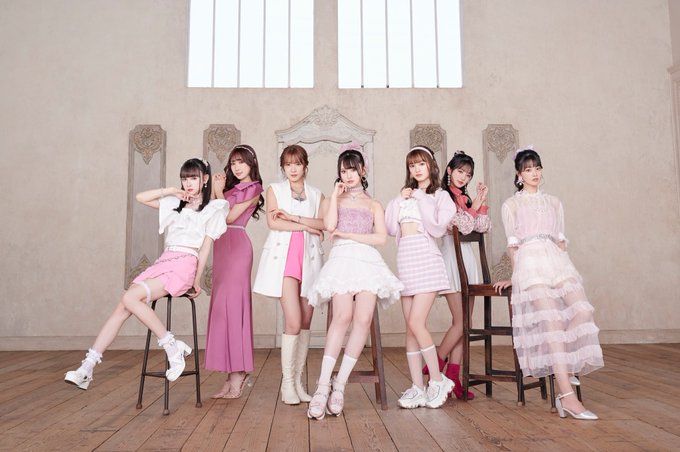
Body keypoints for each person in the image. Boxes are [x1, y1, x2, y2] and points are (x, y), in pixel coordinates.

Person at [65, 158, 228, 390]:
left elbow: (205, 249)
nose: (188, 183)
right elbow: (141, 197)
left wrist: (196, 279)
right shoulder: (175, 202)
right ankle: (87, 368)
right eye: (184, 178)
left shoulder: (213, 208)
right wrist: (171, 190)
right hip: (164, 261)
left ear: (205, 179)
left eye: (193, 178)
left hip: (184, 264)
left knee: (129, 298)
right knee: (123, 305)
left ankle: (172, 347)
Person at [493, 148, 603, 420]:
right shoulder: (511, 205)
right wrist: (516, 277)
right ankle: (567, 396)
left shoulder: (554, 202)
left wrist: (564, 267)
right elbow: (513, 247)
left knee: (583, 311)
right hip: (530, 265)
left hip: (557, 262)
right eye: (528, 169)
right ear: (519, 175)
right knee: (552, 322)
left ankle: (562, 362)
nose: (535, 173)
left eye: (538, 168)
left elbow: (561, 243)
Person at [306, 146, 403, 419]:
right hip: (342, 259)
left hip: (367, 260)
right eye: (343, 170)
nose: (348, 175)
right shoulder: (333, 199)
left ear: (363, 170)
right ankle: (322, 387)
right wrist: (335, 196)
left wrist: (349, 234)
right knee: (343, 316)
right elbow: (329, 226)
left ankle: (339, 386)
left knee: (363, 319)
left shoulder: (374, 204)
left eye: (352, 169)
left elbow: (380, 238)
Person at [385, 145, 456, 409]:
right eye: (412, 165)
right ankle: (417, 387)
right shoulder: (404, 196)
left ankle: (438, 380)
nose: (417, 169)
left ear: (431, 166)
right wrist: (399, 199)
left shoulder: (440, 196)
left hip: (427, 261)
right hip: (406, 263)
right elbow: (390, 227)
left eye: (421, 164)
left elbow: (437, 228)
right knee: (410, 329)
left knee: (417, 322)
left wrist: (420, 197)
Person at [253, 144, 325, 405]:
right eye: (288, 164)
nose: (292, 169)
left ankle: (298, 383)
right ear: (283, 167)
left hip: (311, 261)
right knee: (293, 321)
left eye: (297, 164)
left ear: (305, 166)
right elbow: (273, 222)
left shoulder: (317, 195)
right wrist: (308, 227)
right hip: (284, 261)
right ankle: (286, 384)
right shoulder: (275, 190)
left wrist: (295, 219)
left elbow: (324, 224)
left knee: (305, 322)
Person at [424, 151, 491, 400]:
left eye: (468, 174)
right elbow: (462, 227)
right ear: (449, 170)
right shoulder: (442, 196)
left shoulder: (465, 199)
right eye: (460, 171)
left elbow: (481, 227)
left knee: (466, 323)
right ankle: (436, 363)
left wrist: (480, 202)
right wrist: (473, 208)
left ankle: (453, 378)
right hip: (452, 259)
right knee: (461, 321)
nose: (464, 177)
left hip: (468, 259)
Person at [205, 145, 264, 399]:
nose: (237, 167)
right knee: (223, 310)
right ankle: (231, 377)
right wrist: (216, 189)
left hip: (238, 248)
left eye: (242, 162)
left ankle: (239, 374)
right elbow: (212, 215)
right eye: (233, 163)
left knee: (235, 309)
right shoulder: (229, 189)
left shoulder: (254, 188)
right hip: (221, 248)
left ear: (252, 163)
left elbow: (229, 217)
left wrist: (218, 191)